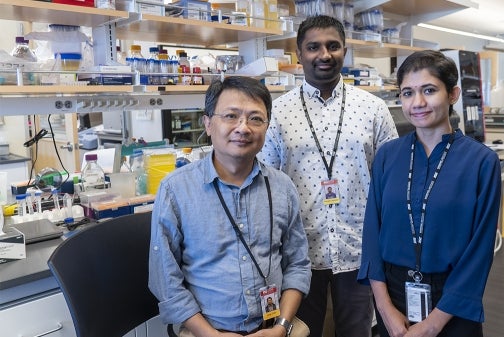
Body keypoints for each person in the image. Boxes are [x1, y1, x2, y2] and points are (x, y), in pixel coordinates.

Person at [259, 15, 399, 337]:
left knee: (356, 331)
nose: (324, 54)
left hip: (359, 250)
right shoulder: (278, 113)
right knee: (303, 332)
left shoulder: (373, 109)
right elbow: (268, 184)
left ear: (344, 51)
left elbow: (390, 180)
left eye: (333, 46)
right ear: (299, 54)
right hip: (299, 254)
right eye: (314, 47)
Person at [149, 76, 312, 337]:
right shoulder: (175, 190)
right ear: (208, 123)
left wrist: (281, 326)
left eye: (255, 118)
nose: (243, 128)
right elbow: (165, 281)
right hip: (207, 330)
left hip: (274, 327)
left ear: (266, 127)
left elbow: (298, 265)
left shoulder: (283, 187)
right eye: (231, 116)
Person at [358, 49, 502, 337]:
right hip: (394, 299)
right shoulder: (388, 156)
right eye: (408, 93)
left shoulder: (481, 162)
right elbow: (372, 234)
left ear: (453, 94)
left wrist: (433, 324)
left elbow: (480, 251)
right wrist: (385, 310)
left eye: (429, 90)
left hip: (453, 303)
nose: (418, 103)